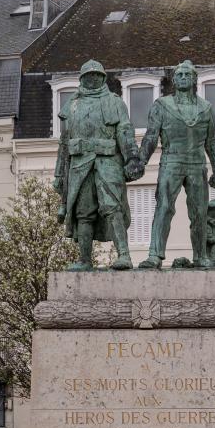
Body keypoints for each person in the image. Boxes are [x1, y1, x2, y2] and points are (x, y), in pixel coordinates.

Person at [54, 60, 143, 270]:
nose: (92, 79)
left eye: (97, 75)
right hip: (79, 162)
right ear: (82, 78)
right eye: (88, 75)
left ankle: (124, 255)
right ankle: (84, 260)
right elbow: (64, 143)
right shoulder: (72, 105)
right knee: (83, 212)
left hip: (108, 160)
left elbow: (125, 130)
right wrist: (59, 174)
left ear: (103, 78)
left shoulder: (114, 101)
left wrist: (132, 158)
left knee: (113, 207)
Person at [138, 60, 215, 269]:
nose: (184, 77)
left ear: (195, 79)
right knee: (164, 207)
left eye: (187, 74)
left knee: (199, 212)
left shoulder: (206, 108)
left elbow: (212, 142)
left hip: (197, 163)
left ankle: (200, 256)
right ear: (174, 80)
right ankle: (155, 255)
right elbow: (150, 138)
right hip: (171, 160)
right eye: (180, 75)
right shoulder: (162, 105)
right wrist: (140, 162)